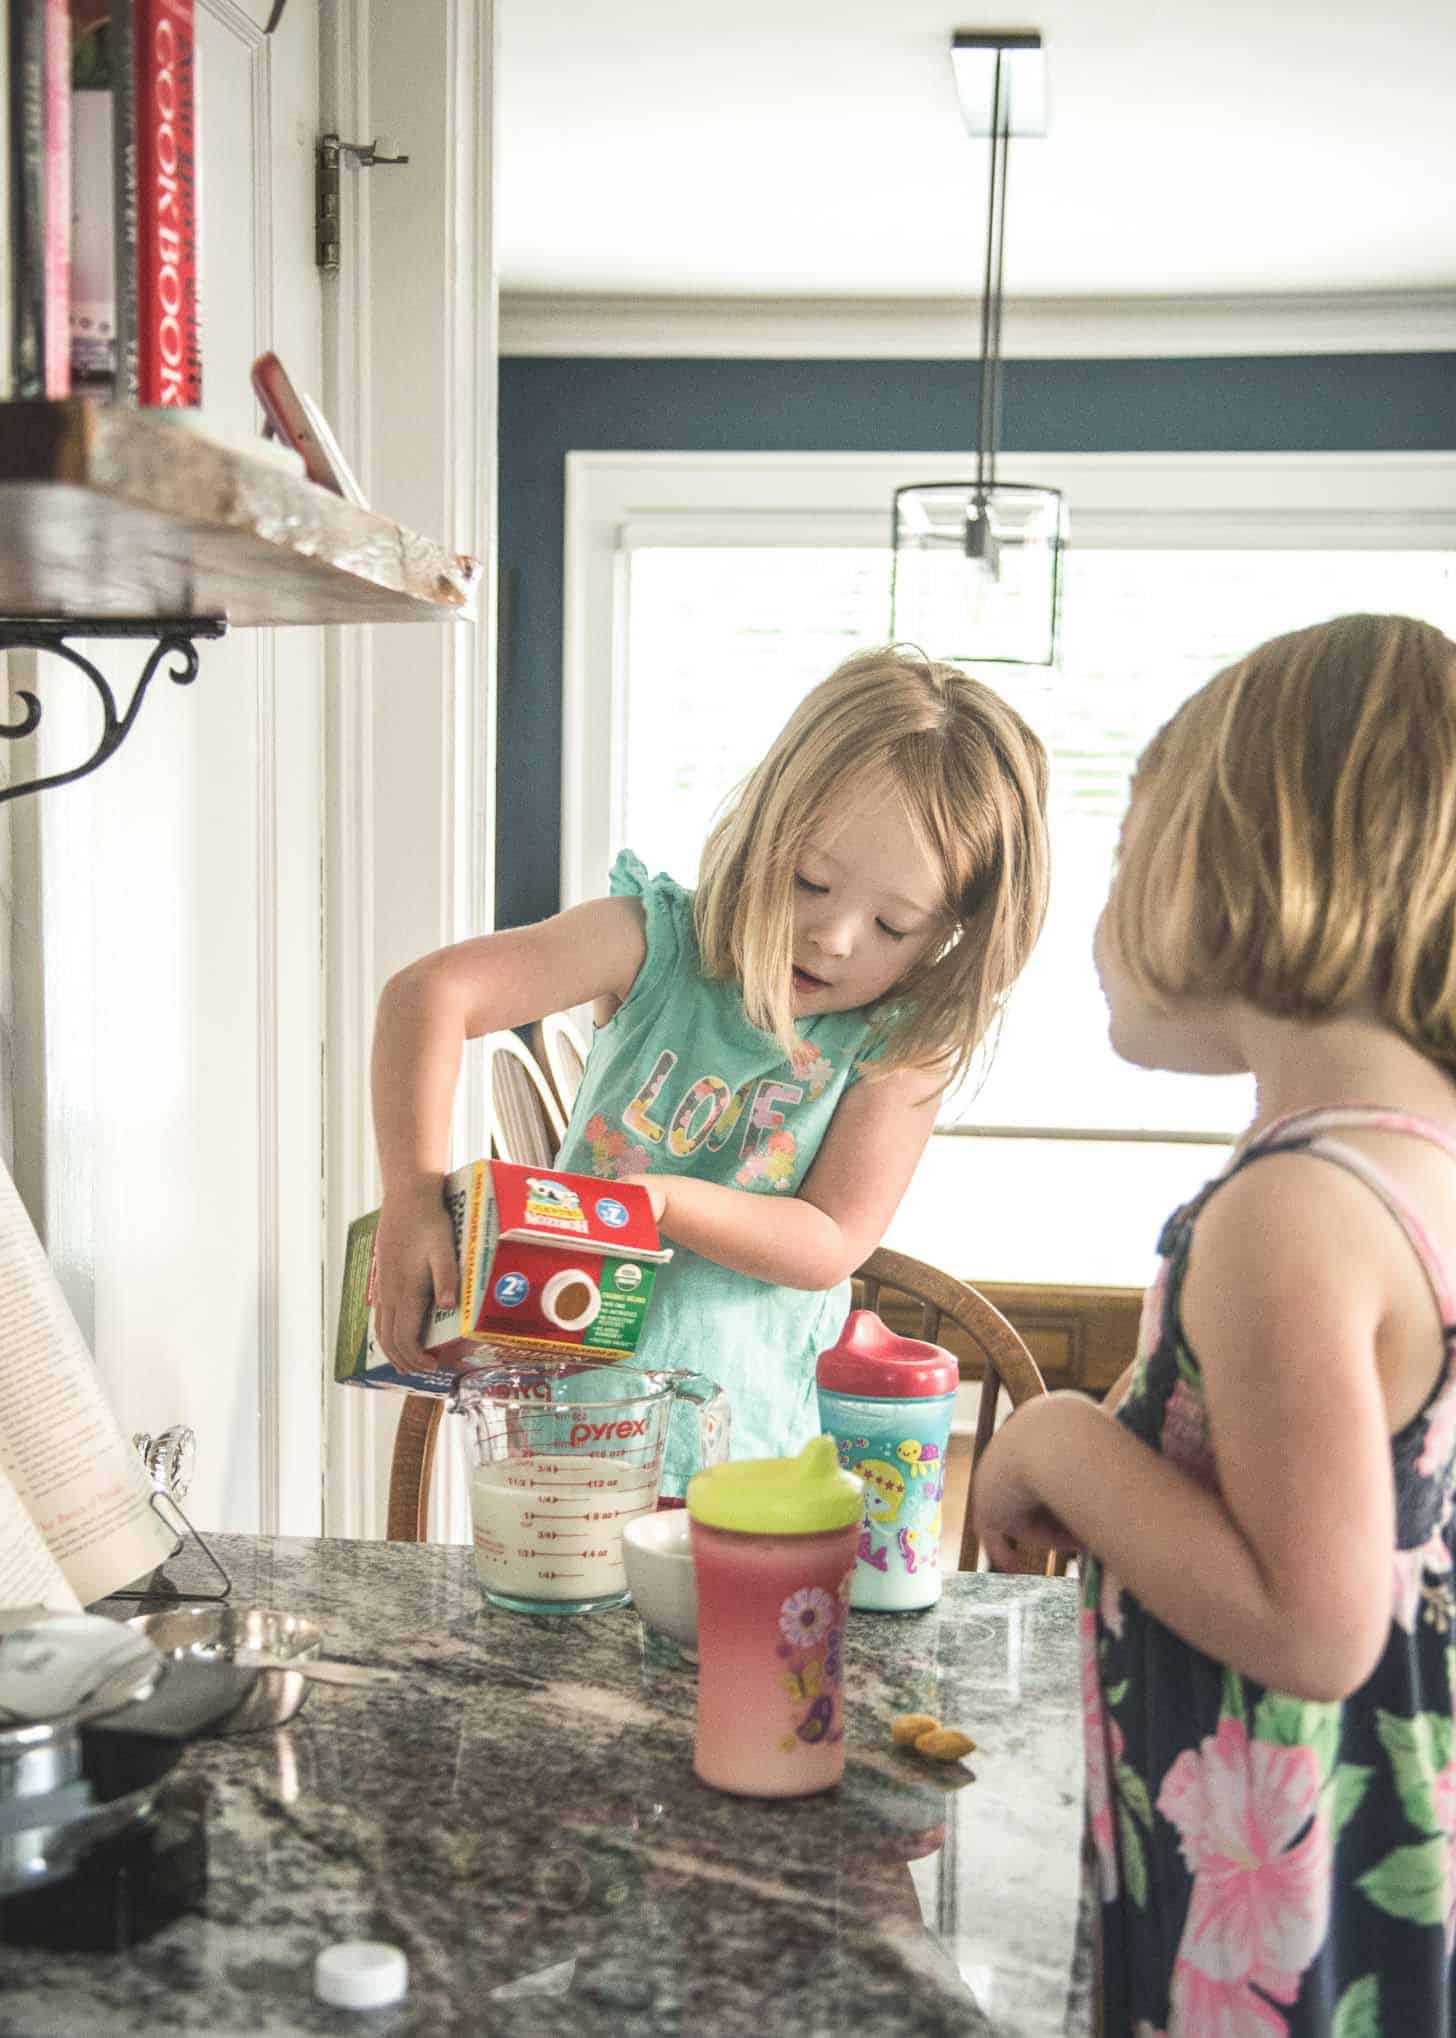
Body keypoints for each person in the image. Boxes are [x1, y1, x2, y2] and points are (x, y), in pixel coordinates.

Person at [971, 612, 1456, 2035]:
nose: (1107, 904)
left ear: (1249, 854)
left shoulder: (1290, 1210)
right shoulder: (1414, 1163)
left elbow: (1314, 1625)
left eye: (1129, 849)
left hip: (1275, 1902)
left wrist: (1059, 1439)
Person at [370, 644, 1049, 1491]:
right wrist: (411, 1191)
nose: (835, 939)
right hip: (559, 1436)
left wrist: (655, 1205)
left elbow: (830, 1240)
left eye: (893, 926)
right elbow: (427, 995)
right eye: (810, 882)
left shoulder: (899, 1043)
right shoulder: (651, 943)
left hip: (745, 1459)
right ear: (766, 829)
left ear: (946, 933)